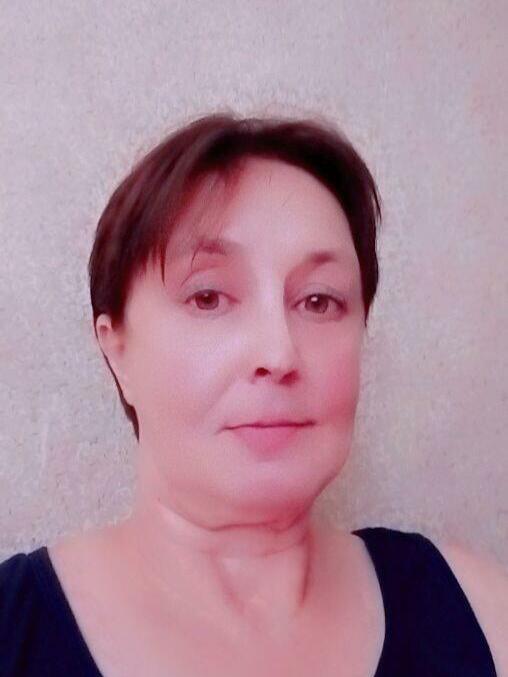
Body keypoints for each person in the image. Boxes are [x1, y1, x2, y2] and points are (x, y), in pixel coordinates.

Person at [1, 112, 506, 677]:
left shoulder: (483, 618)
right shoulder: (12, 631)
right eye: (209, 297)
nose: (279, 353)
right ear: (116, 348)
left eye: (319, 301)